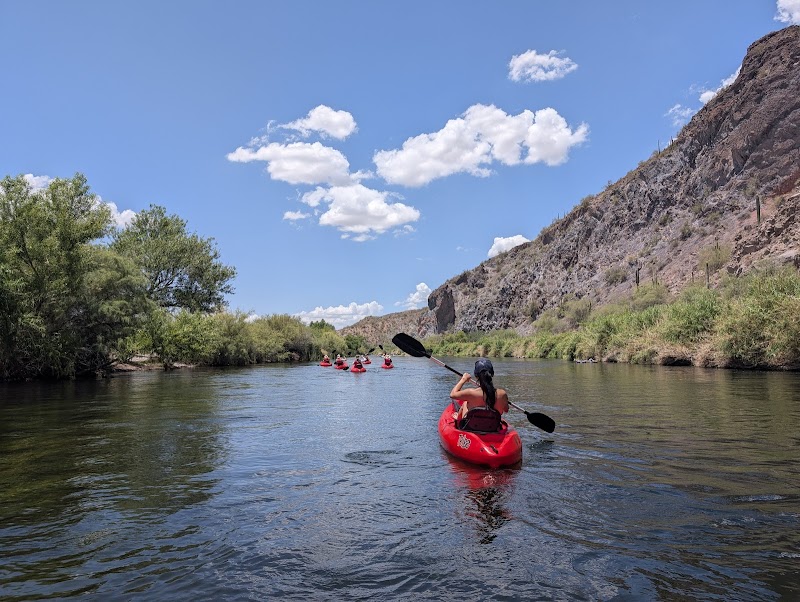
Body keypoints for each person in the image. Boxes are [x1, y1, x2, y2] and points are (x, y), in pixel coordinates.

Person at [449, 358, 509, 429]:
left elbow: (452, 394)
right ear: (492, 374)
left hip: (472, 428)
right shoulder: (502, 394)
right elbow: (506, 410)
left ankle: (458, 421)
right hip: (493, 428)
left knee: (465, 403)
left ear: (476, 375)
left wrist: (463, 379)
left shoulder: (470, 393)